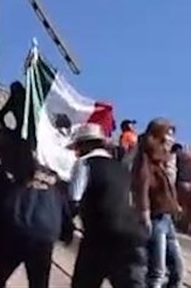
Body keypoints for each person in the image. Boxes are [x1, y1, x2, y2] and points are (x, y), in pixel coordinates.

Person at [69, 123, 147, 288]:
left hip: (99, 236)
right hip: (130, 235)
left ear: (84, 145)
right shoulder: (121, 168)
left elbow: (74, 198)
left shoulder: (84, 163)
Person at [0, 156, 74, 288]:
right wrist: (67, 235)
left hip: (15, 231)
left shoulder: (15, 176)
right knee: (39, 282)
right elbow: (66, 214)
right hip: (43, 237)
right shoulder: (57, 187)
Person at [132, 118, 184, 288]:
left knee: (177, 269)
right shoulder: (146, 158)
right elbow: (141, 186)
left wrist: (175, 207)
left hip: (166, 219)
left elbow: (168, 189)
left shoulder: (163, 160)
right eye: (168, 135)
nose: (171, 139)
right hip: (154, 219)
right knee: (157, 272)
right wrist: (144, 214)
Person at [172, 143, 191, 236]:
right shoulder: (189, 158)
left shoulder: (175, 156)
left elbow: (173, 171)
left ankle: (184, 228)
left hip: (183, 183)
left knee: (183, 208)